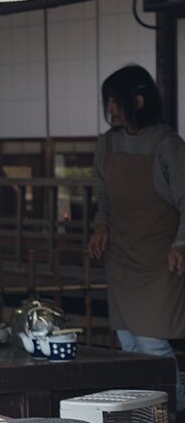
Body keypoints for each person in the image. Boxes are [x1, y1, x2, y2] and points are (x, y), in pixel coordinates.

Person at [86, 65, 185, 410]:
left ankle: (174, 409)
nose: (110, 108)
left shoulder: (168, 145)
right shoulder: (107, 143)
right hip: (121, 256)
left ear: (138, 101)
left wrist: (181, 243)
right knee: (128, 344)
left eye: (115, 101)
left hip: (160, 261)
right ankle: (139, 411)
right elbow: (105, 197)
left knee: (152, 344)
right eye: (108, 101)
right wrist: (101, 225)